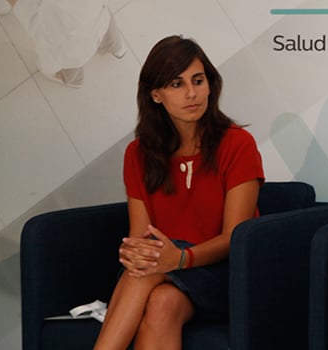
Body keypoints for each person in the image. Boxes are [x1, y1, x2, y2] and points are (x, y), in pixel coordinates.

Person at [93, 35, 263, 349]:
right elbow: (140, 235)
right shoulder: (138, 154)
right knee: (161, 302)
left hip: (226, 276)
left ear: (211, 85)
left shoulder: (237, 145)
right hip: (166, 274)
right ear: (155, 94)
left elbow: (235, 238)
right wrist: (134, 251)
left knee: (146, 271)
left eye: (198, 81)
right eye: (176, 84)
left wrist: (181, 258)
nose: (191, 93)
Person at [12, 0, 126, 88]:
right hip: (99, 15)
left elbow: (44, 35)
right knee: (106, 28)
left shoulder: (54, 10)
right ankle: (117, 47)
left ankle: (74, 81)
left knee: (69, 64)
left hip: (72, 46)